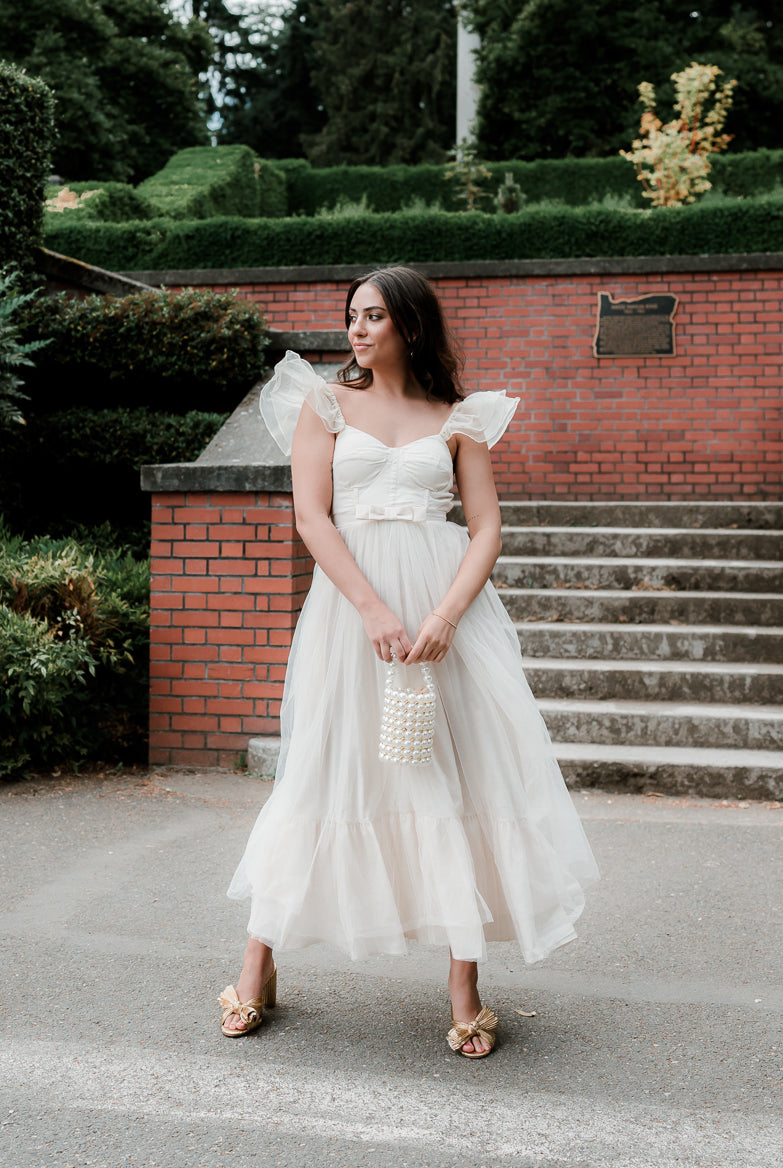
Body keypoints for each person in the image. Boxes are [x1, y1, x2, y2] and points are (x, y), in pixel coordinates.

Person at [219, 266, 599, 1057]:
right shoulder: (322, 405)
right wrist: (371, 608)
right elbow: (312, 516)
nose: (356, 330)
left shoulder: (459, 417)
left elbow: (486, 528)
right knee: (323, 770)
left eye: (374, 317)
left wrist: (444, 616)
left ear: (411, 326)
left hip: (444, 617)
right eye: (351, 316)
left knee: (465, 774)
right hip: (351, 615)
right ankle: (256, 965)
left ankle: (464, 985)